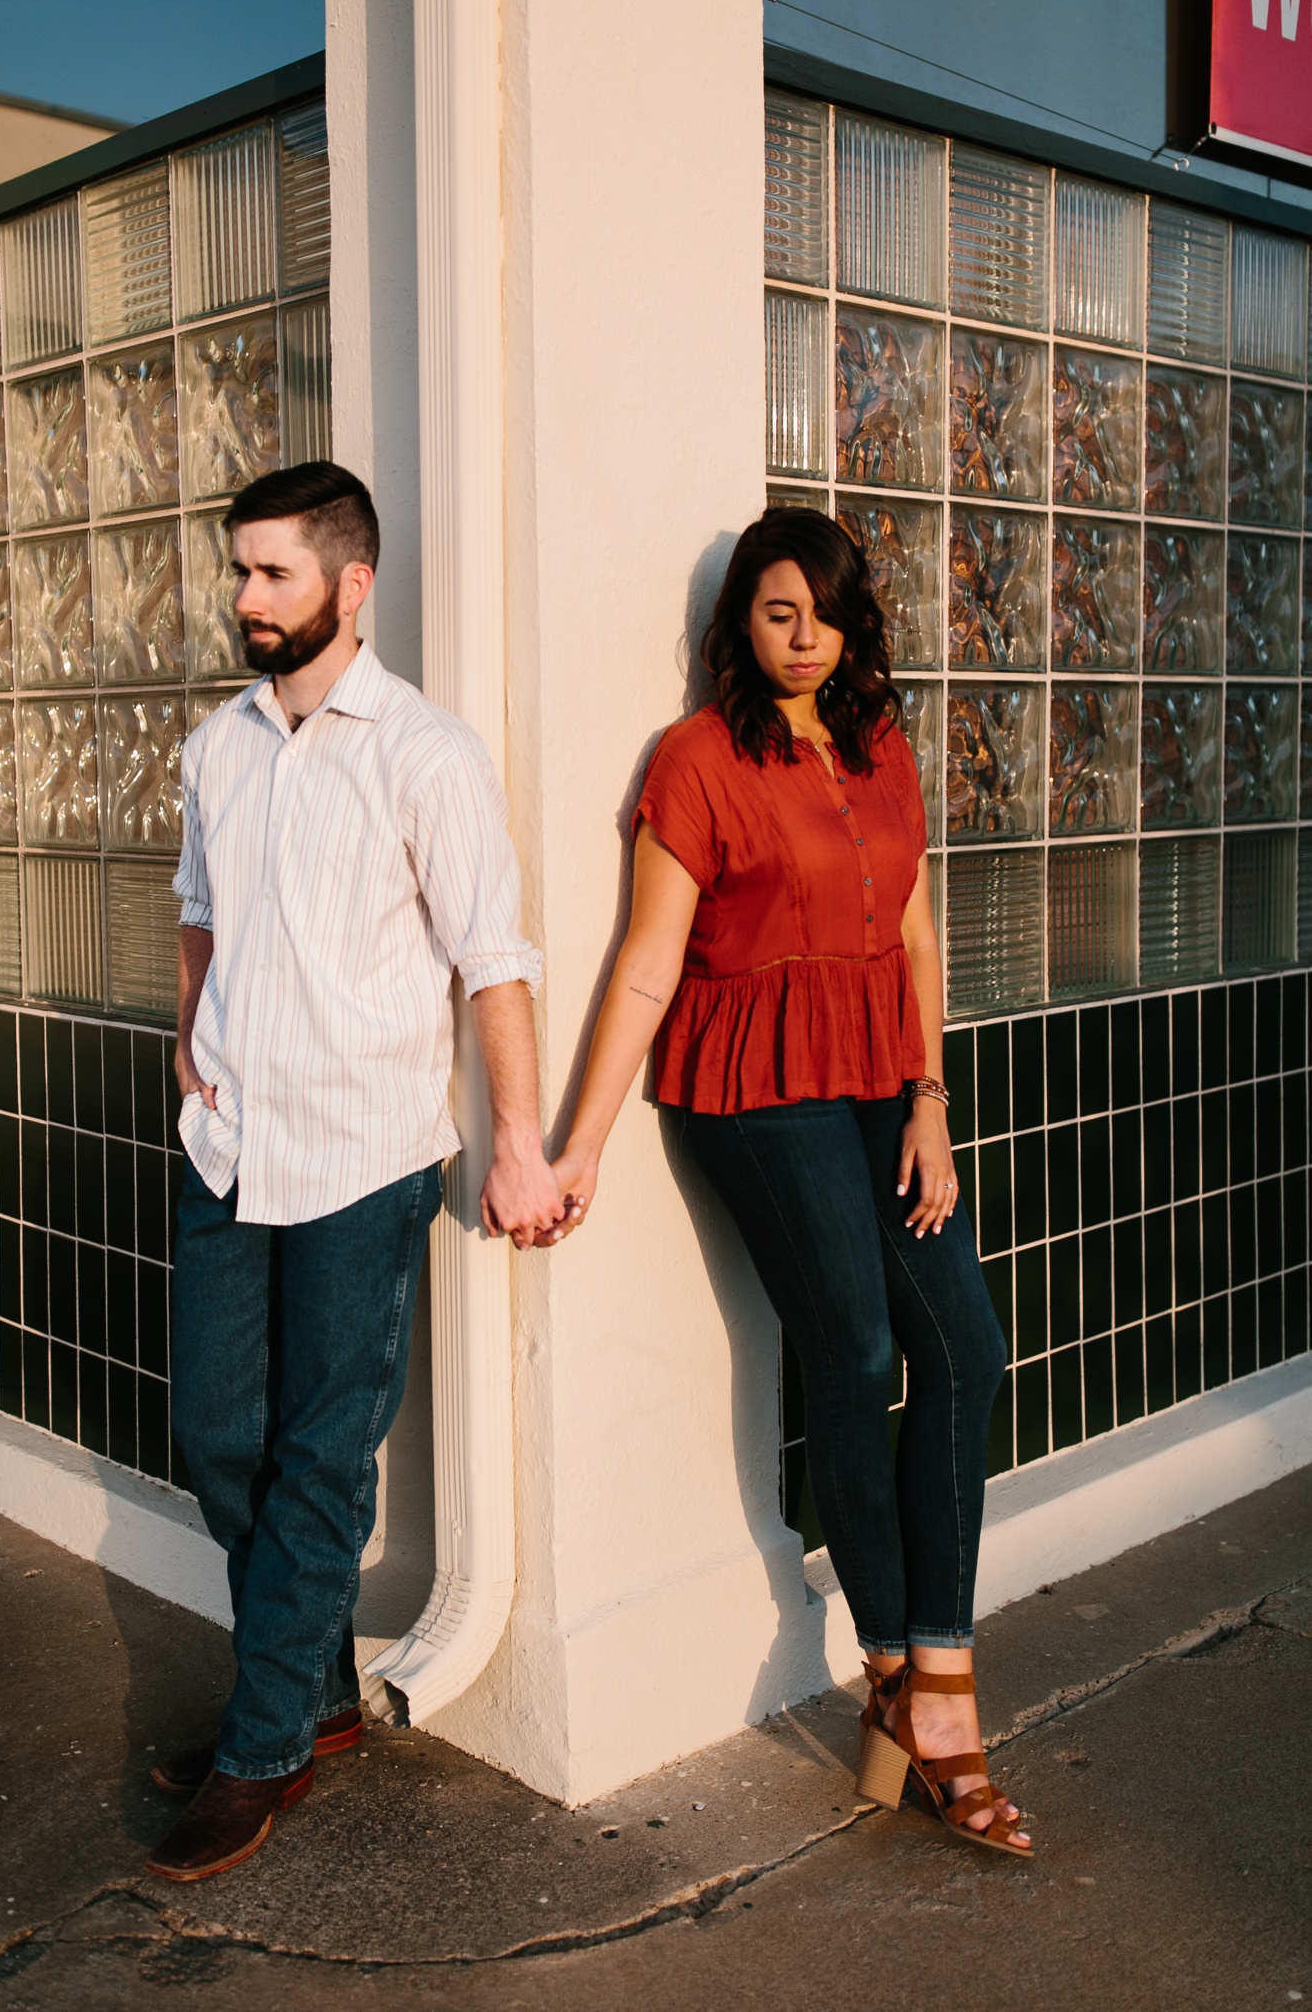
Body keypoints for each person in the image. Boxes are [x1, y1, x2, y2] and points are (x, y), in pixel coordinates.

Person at [539, 509, 1032, 1857]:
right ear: (739, 627)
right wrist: (579, 1138)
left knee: (966, 1348)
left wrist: (934, 1104)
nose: (801, 631)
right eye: (775, 610)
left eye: (821, 608)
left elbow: (917, 925)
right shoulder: (696, 761)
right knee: (855, 1342)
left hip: (882, 1078)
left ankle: (934, 1664)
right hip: (753, 1089)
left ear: (851, 619)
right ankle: (916, 1687)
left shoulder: (878, 740)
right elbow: (650, 960)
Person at [146, 461, 564, 1884]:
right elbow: (199, 911)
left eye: (272, 572)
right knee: (218, 1436)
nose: (245, 596)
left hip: (364, 1154)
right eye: (241, 570)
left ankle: (264, 1744)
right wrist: (186, 1035)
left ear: (351, 581)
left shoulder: (426, 754)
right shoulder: (217, 747)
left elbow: (493, 956)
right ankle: (311, 1691)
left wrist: (520, 1139)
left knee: (324, 1453)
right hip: (232, 1141)